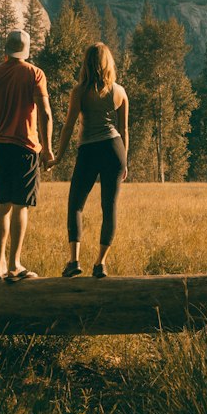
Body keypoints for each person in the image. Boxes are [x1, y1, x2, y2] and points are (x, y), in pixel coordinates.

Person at [0, 28, 54, 282]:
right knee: (21, 206)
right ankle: (14, 265)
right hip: (25, 147)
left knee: (2, 205)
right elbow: (45, 112)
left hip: (0, 146)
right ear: (26, 50)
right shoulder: (34, 74)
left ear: (5, 49)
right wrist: (47, 149)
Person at [53, 41, 128, 279]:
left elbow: (68, 127)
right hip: (114, 149)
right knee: (110, 206)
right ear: (108, 64)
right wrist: (125, 160)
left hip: (89, 150)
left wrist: (58, 156)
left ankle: (74, 261)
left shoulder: (80, 92)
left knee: (76, 204)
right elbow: (124, 129)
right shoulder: (119, 92)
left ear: (87, 64)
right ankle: (100, 264)